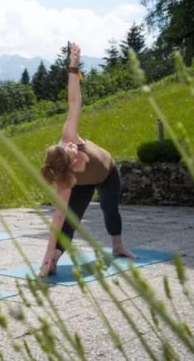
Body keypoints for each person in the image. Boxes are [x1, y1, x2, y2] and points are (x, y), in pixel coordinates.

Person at [37, 42, 137, 278]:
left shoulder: (68, 135)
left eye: (64, 145)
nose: (69, 144)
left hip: (108, 171)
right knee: (71, 221)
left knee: (110, 209)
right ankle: (54, 261)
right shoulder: (66, 181)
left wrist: (73, 67)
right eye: (69, 149)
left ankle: (118, 246)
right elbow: (58, 220)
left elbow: (74, 101)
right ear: (69, 165)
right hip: (85, 183)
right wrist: (47, 257)